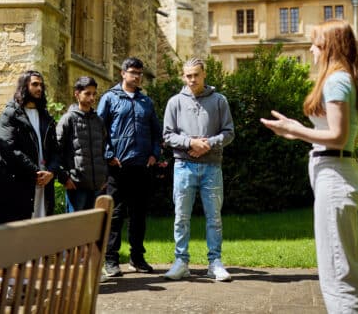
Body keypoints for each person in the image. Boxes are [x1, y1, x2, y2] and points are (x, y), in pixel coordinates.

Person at [261, 19, 358, 313]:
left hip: (335, 178)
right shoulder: (344, 78)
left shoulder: (337, 80)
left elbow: (337, 137)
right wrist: (294, 131)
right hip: (336, 173)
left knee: (337, 272)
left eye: (315, 44)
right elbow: (333, 136)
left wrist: (296, 129)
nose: (311, 49)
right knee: (348, 266)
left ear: (329, 47)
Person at [162, 58, 235, 282]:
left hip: (212, 167)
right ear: (183, 76)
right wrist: (190, 143)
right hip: (183, 166)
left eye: (196, 75)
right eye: (188, 75)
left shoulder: (219, 100)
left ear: (204, 74)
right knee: (181, 217)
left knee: (214, 218)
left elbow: (229, 132)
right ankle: (181, 262)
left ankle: (215, 263)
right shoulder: (175, 102)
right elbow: (167, 135)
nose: (192, 79)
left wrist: (208, 144)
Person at [97, 57, 161, 277]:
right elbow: (100, 130)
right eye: (133, 72)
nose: (137, 76)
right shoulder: (110, 98)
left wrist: (154, 154)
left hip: (141, 166)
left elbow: (156, 131)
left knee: (139, 215)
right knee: (114, 215)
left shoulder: (146, 102)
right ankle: (111, 260)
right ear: (123, 73)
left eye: (140, 73)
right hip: (117, 167)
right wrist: (108, 155)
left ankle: (137, 257)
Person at [0, 70, 60, 224]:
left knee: (41, 230)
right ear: (24, 86)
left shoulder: (46, 117)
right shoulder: (10, 114)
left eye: (41, 85)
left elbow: (56, 150)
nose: (39, 89)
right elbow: (8, 149)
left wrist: (51, 172)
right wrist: (35, 171)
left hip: (44, 184)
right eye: (35, 84)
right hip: (19, 184)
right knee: (19, 233)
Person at [56, 76, 107, 212]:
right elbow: (56, 150)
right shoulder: (68, 119)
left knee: (94, 228)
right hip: (76, 185)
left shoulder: (98, 121)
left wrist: (104, 177)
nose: (92, 98)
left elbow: (103, 150)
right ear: (77, 94)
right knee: (75, 229)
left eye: (94, 94)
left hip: (97, 186)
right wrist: (64, 178)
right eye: (87, 93)